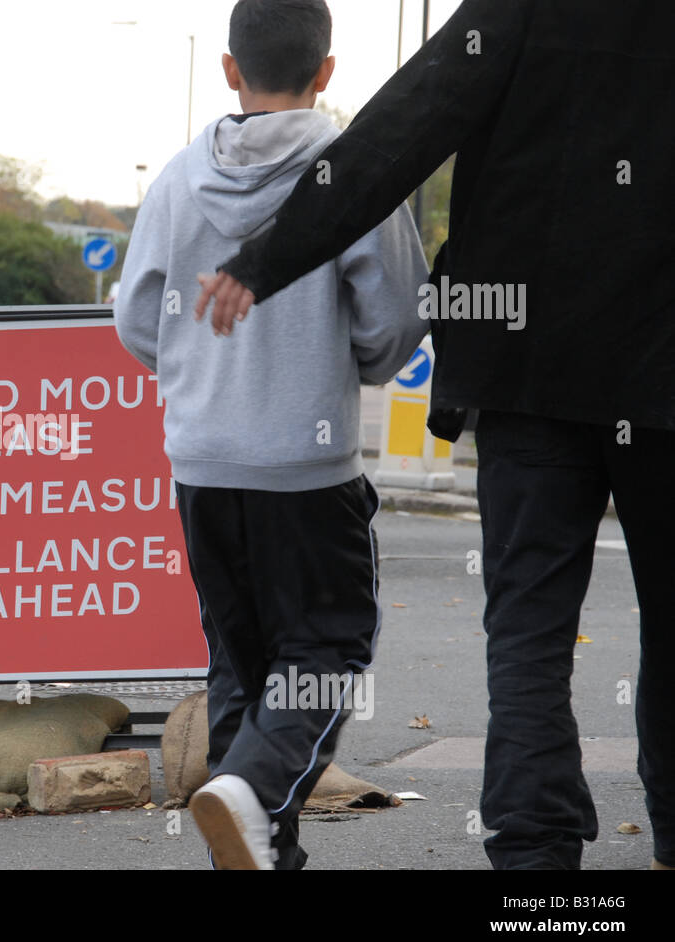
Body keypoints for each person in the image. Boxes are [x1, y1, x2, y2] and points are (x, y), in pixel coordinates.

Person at [194, 0, 675, 870]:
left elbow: (402, 129)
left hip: (526, 373)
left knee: (528, 629)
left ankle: (535, 862)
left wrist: (268, 257)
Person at [114, 0, 428, 869]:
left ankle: (253, 838)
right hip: (306, 466)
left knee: (240, 665)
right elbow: (397, 324)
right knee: (325, 653)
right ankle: (248, 792)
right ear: (326, 71)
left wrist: (200, 378)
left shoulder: (177, 178)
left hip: (204, 465)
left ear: (229, 69)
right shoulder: (351, 169)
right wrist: (340, 356)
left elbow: (138, 319)